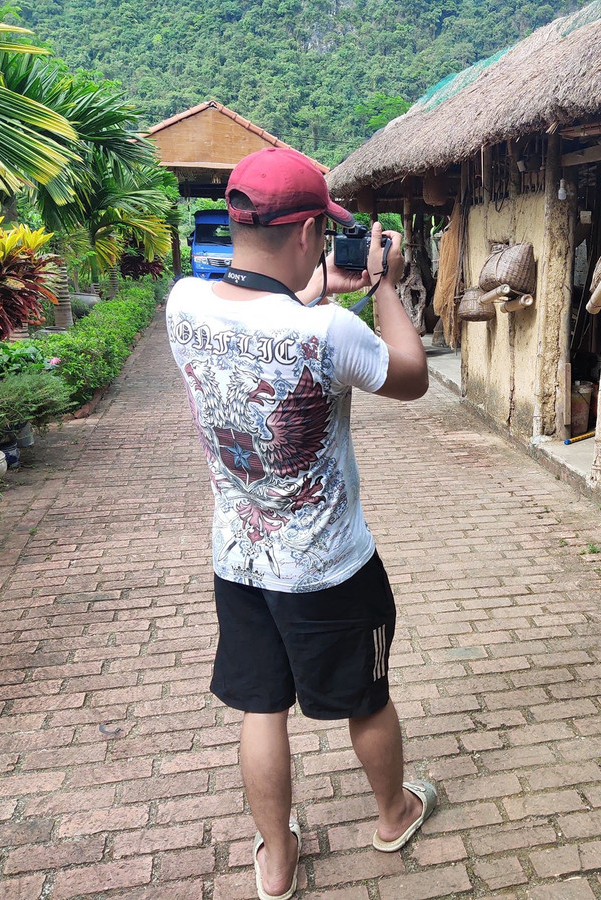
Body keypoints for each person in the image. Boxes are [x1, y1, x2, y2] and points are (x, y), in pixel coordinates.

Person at [165, 146, 434, 900]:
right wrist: (383, 286)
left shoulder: (183, 301)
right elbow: (409, 375)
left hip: (239, 559)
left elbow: (259, 313)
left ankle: (277, 862)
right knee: (366, 697)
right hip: (327, 569)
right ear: (314, 230)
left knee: (262, 707)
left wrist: (317, 288)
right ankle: (394, 814)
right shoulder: (326, 336)